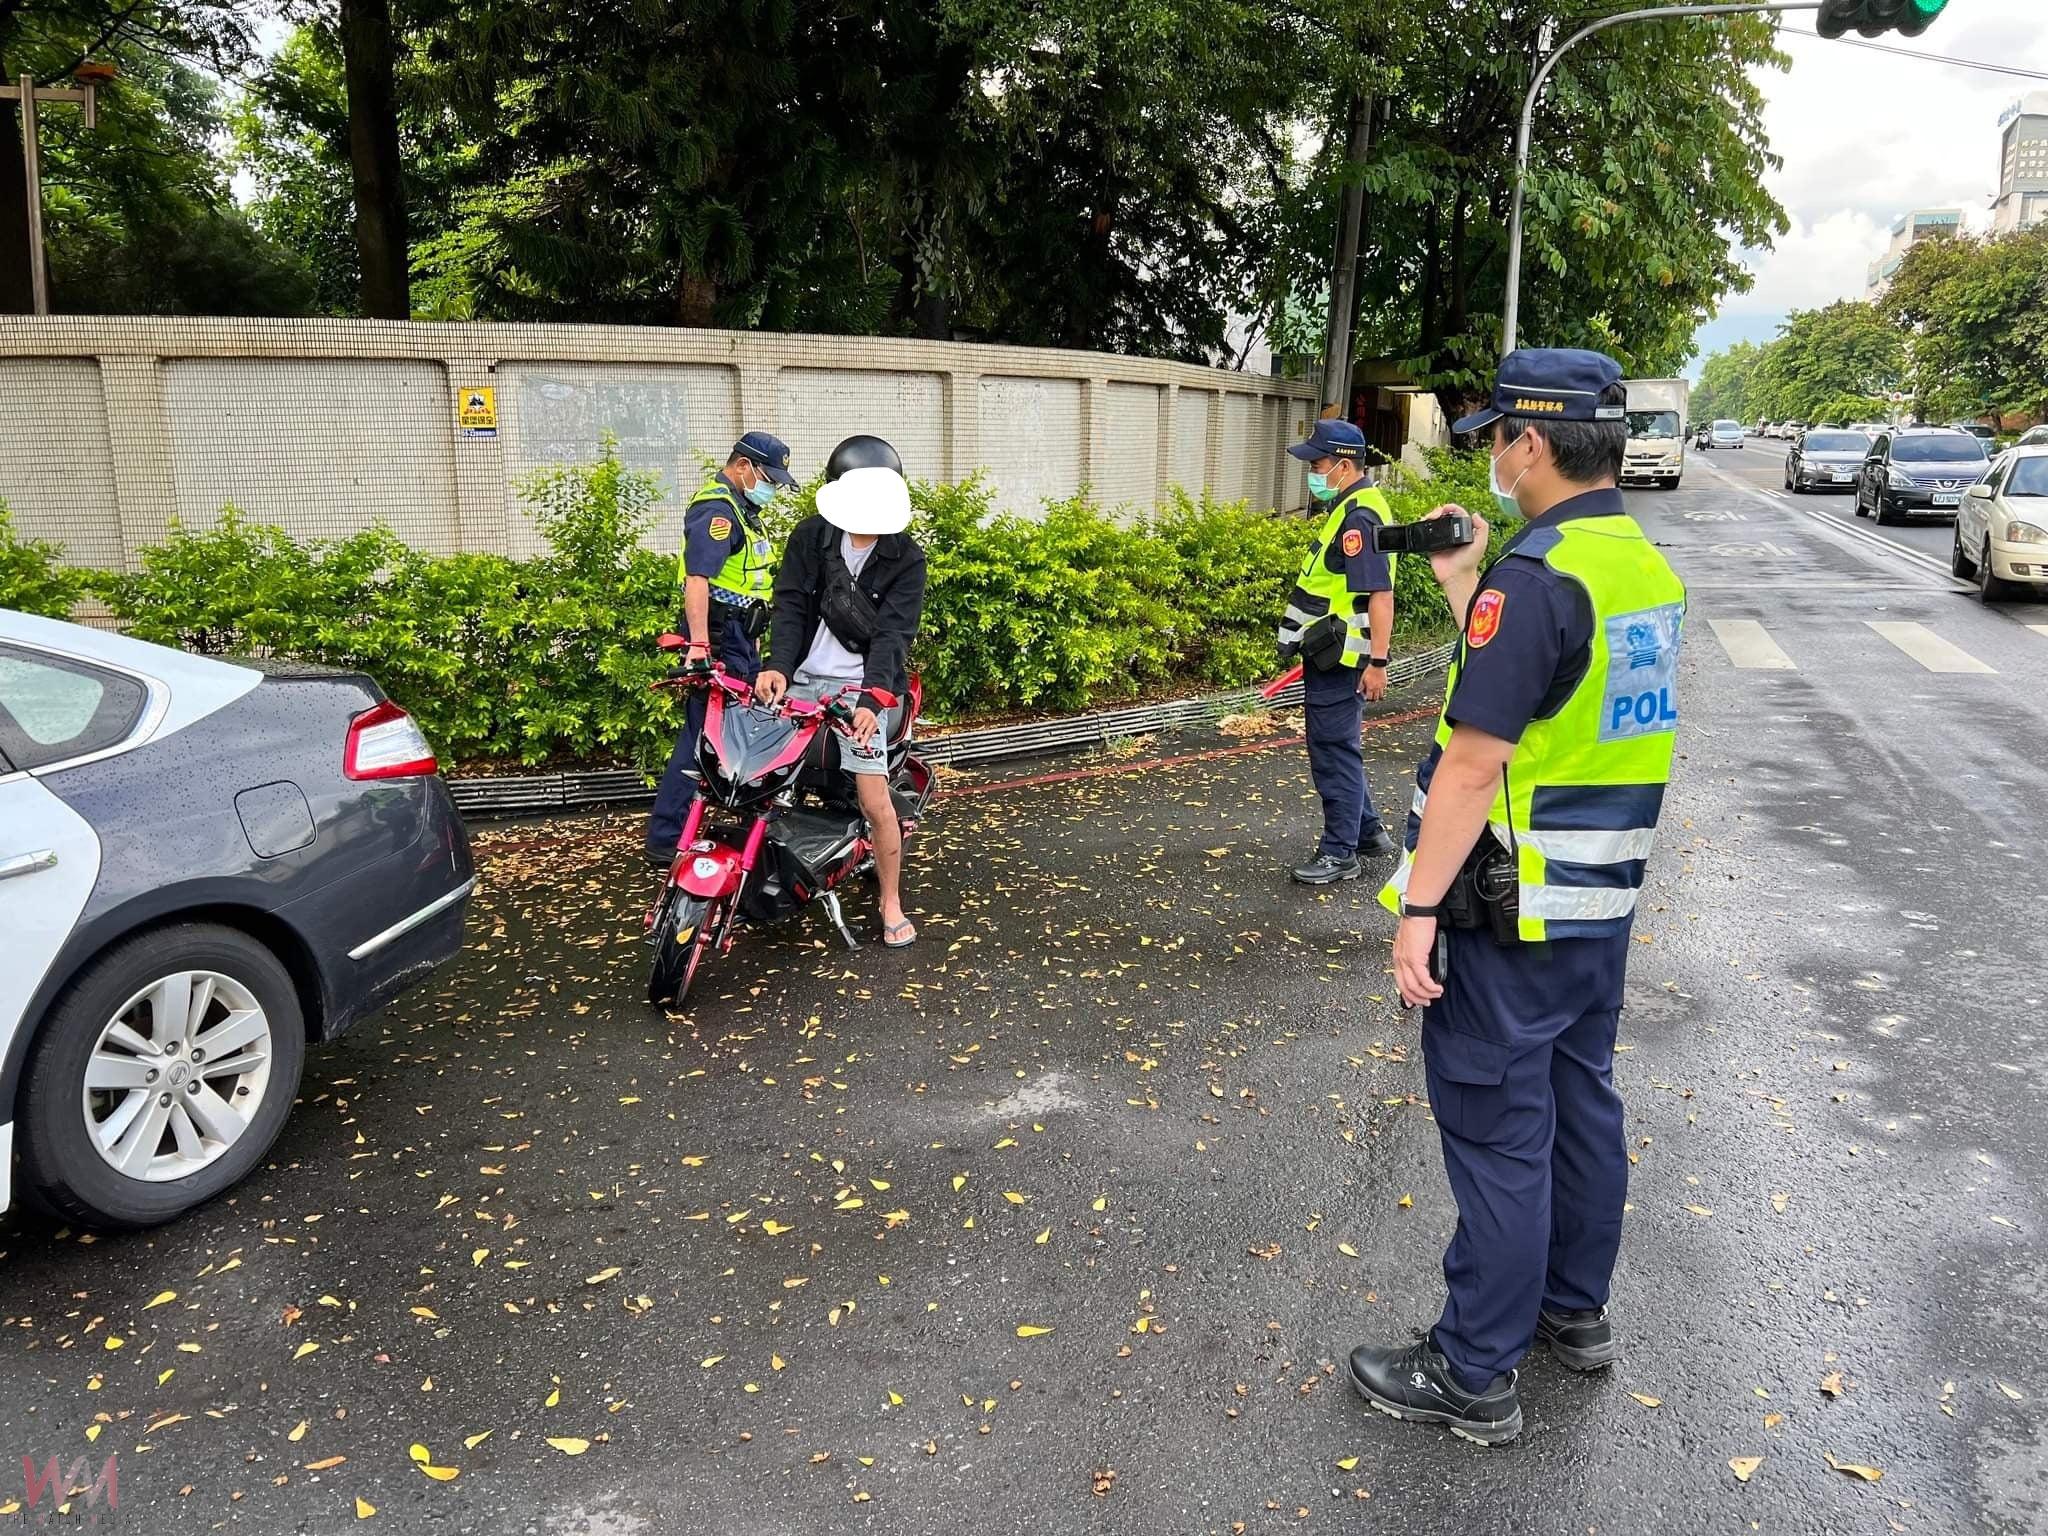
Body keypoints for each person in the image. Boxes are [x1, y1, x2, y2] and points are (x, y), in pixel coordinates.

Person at [1348, 349, 1687, 1447]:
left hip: (1510, 912)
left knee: (1498, 1133)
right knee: (1580, 1103)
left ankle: (1471, 1370)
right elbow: (1550, 701)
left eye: (1497, 434)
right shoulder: (1632, 564)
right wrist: (1466, 583)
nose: (1491, 452)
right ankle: (1569, 1312)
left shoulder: (1537, 582)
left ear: (1529, 444)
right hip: (1599, 909)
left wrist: (1413, 910)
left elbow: (1474, 761)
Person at [752, 436, 928, 947]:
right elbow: (790, 606)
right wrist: (778, 667)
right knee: (754, 773)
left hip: (862, 688)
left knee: (874, 797)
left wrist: (873, 700)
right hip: (803, 678)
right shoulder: (811, 538)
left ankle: (890, 900)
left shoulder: (905, 558)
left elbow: (895, 635)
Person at [645, 431, 798, 867]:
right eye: (769, 477)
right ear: (744, 466)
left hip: (739, 636)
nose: (772, 487)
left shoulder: (743, 509)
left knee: (733, 733)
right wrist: (698, 646)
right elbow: (699, 581)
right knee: (702, 737)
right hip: (720, 635)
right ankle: (668, 837)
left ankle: (708, 825)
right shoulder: (719, 511)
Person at [1278, 418, 1399, 885]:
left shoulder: (1359, 518)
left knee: (1332, 750)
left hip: (1342, 659)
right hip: (1331, 653)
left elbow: (1379, 595)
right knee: (1338, 746)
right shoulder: (1352, 506)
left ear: (1344, 466)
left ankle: (1339, 853)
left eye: (1319, 462)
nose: (1313, 471)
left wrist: (1378, 663)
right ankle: (1366, 831)